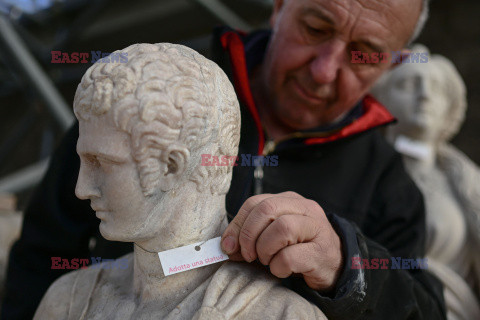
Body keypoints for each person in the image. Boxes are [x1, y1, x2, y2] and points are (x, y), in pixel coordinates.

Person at [2, 0, 446, 319]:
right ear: (278, 8)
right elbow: (42, 255)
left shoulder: (389, 183)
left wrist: (347, 265)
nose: (324, 69)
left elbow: (424, 311)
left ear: (391, 64)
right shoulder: (142, 96)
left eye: (363, 52)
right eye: (314, 27)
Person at [34, 42, 326, 319]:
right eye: (84, 161)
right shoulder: (67, 301)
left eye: (103, 163)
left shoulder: (279, 315)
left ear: (173, 166)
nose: (81, 188)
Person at [371, 44, 480, 319]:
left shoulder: (467, 184)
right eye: (409, 84)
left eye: (437, 88)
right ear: (381, 98)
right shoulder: (359, 171)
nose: (425, 96)